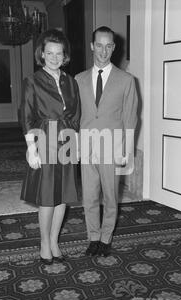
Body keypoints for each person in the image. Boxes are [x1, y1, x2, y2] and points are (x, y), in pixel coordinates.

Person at [75, 26, 138, 257]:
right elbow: (75, 116)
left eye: (109, 46)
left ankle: (106, 237)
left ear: (114, 47)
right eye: (99, 45)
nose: (104, 51)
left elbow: (131, 117)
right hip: (87, 147)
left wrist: (126, 149)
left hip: (112, 148)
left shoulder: (126, 80)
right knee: (89, 196)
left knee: (110, 196)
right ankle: (93, 237)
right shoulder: (78, 79)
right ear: (92, 46)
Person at [20, 29, 81, 265]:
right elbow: (26, 117)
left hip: (66, 140)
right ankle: (44, 242)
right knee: (47, 197)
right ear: (42, 54)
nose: (54, 58)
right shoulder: (32, 81)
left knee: (63, 196)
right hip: (44, 138)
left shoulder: (71, 81)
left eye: (59, 53)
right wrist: (31, 148)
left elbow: (76, 116)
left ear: (64, 55)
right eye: (49, 53)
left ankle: (55, 240)